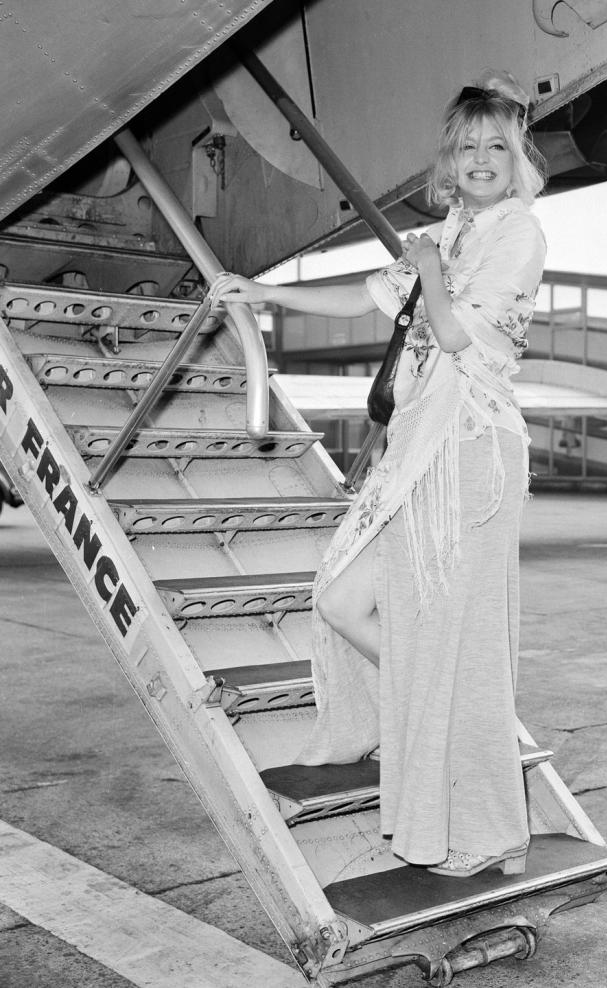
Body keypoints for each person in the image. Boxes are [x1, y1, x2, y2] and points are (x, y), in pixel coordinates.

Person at [209, 70, 547, 879]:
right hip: (418, 453)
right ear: (448, 159)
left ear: (519, 158)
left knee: (456, 647)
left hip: (472, 454)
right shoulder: (456, 231)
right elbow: (366, 299)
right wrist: (258, 292)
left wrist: (426, 270)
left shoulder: (517, 233)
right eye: (464, 145)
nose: (478, 158)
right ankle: (422, 717)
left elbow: (461, 336)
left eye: (495, 145)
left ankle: (482, 826)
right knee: (340, 598)